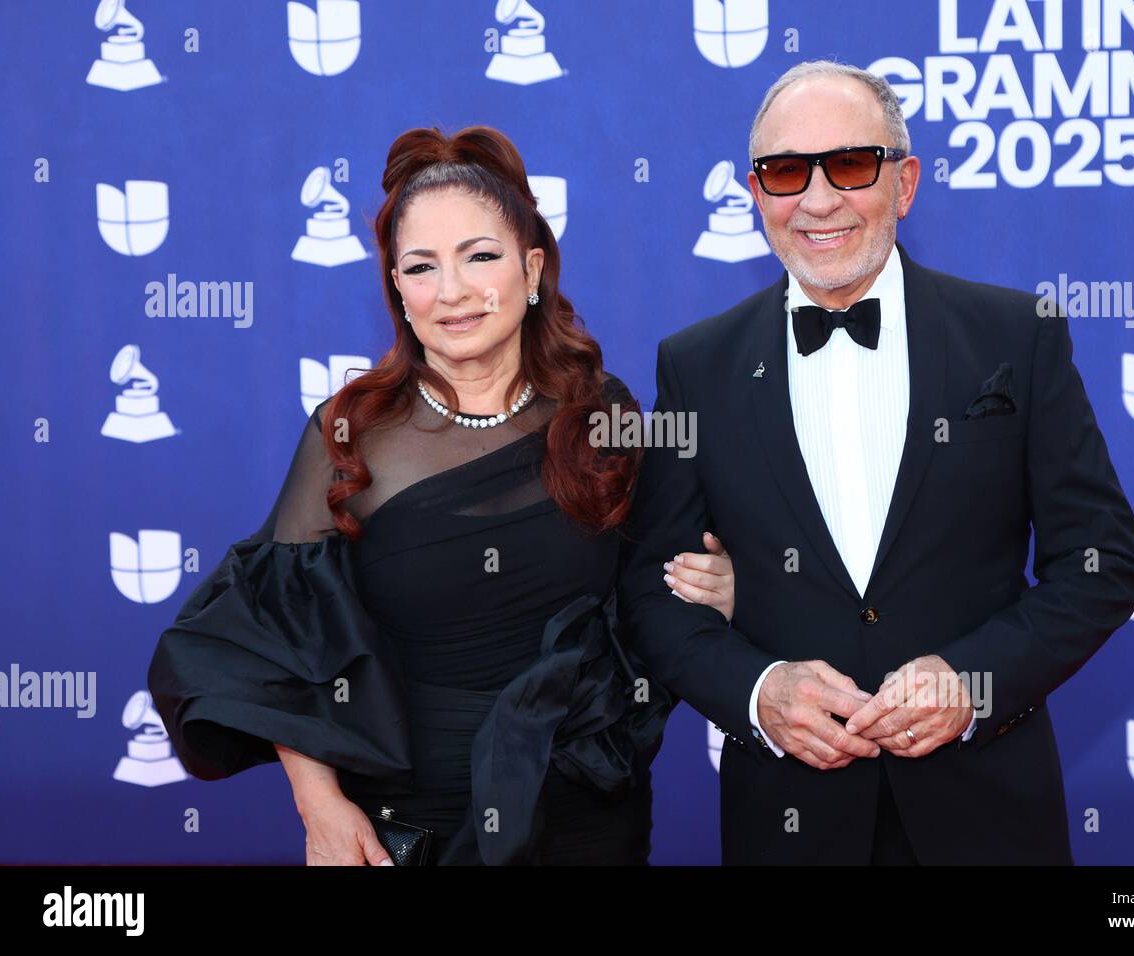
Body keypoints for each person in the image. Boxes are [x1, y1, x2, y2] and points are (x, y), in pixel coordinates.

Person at [147, 125, 736, 866]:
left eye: (479, 257)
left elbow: (653, 591)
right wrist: (320, 806)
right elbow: (275, 639)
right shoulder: (348, 435)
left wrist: (718, 586)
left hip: (585, 807)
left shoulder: (604, 415)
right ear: (397, 285)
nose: (451, 292)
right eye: (421, 267)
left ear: (531, 269)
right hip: (407, 820)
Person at [619, 60, 1134, 864]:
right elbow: (652, 594)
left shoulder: (1015, 337)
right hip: (790, 818)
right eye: (787, 171)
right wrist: (760, 694)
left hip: (987, 812)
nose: (819, 199)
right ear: (755, 193)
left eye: (852, 165)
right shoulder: (697, 366)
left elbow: (1101, 563)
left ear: (904, 184)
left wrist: (971, 682)